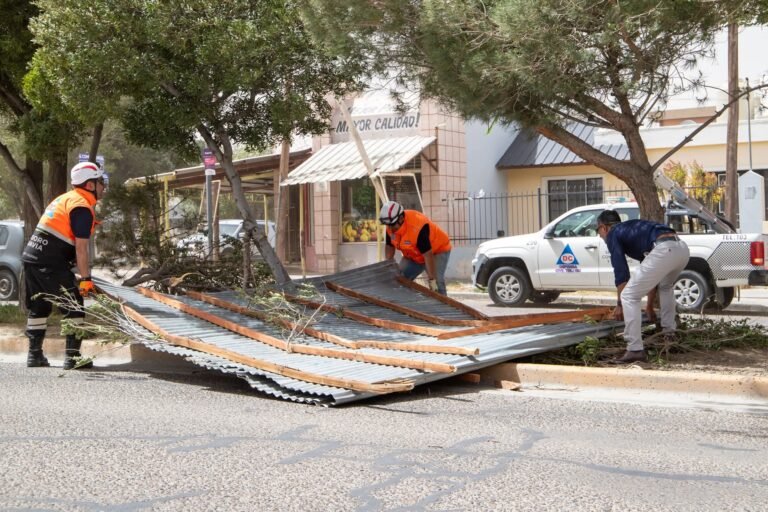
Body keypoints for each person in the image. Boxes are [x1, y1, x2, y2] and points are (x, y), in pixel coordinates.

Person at [22, 161, 107, 369]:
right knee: (74, 306)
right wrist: (86, 280)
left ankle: (34, 356)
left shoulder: (65, 199)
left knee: (39, 306)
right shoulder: (81, 206)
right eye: (100, 182)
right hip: (51, 263)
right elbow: (81, 248)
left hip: (32, 259)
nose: (103, 186)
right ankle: (73, 358)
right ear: (90, 185)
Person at [597, 210, 689, 363]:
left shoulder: (614, 234)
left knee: (628, 296)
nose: (600, 236)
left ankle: (635, 349)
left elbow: (621, 273)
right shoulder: (630, 231)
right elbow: (650, 276)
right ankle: (669, 335)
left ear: (604, 227)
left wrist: (620, 304)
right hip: (681, 248)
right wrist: (649, 307)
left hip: (664, 249)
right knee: (665, 287)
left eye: (598, 231)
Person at [379, 200, 452, 295]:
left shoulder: (417, 227)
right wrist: (389, 266)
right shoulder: (391, 226)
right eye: (388, 225)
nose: (390, 229)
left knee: (437, 282)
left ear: (401, 218)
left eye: (392, 225)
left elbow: (428, 256)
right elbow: (389, 246)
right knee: (400, 278)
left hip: (436, 251)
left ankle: (443, 306)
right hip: (414, 254)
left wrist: (432, 281)